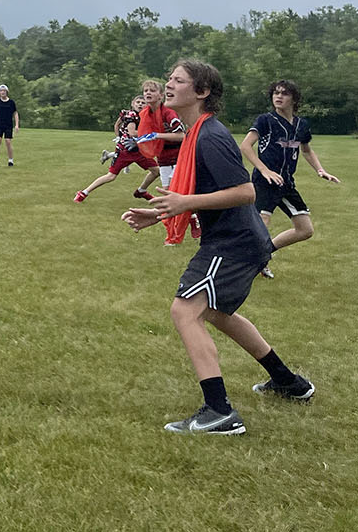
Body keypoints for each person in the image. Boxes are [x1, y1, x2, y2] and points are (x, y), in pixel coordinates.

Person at [122, 60, 314, 435]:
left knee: (184, 310)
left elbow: (246, 192)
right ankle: (290, 383)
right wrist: (160, 214)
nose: (169, 84)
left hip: (234, 243)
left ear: (202, 92)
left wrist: (185, 204)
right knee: (216, 313)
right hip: (238, 242)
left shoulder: (210, 135)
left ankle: (219, 411)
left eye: (178, 80)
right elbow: (196, 194)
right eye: (169, 78)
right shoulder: (197, 133)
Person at [239, 80, 341, 273]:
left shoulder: (302, 125)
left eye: (284, 93)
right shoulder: (265, 120)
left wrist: (321, 170)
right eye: (275, 93)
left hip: (286, 183)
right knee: (261, 225)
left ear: (294, 98)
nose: (278, 97)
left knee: (305, 230)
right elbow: (245, 146)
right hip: (265, 182)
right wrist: (264, 170)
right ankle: (245, 264)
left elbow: (307, 151)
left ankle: (264, 254)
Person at [75, 95, 158, 202]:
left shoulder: (144, 115)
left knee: (156, 171)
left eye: (143, 103)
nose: (140, 104)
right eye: (138, 102)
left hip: (139, 150)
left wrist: (119, 136)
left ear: (147, 105)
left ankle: (141, 191)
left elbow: (118, 124)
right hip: (126, 151)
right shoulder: (131, 115)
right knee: (111, 176)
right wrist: (151, 134)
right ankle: (83, 193)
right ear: (133, 103)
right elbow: (132, 132)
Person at [136, 79, 188, 241]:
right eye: (145, 91)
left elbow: (181, 135)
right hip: (164, 159)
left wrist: (157, 135)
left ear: (161, 95)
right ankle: (174, 231)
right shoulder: (146, 114)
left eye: (152, 91)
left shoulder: (168, 113)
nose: (148, 94)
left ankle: (176, 234)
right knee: (168, 198)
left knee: (175, 195)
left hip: (179, 158)